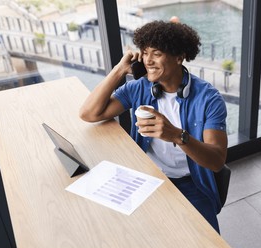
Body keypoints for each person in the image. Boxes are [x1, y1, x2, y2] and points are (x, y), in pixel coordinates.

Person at [79, 20, 227, 233]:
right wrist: (120, 69)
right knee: (129, 234)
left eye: (156, 54)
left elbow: (216, 161)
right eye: (145, 52)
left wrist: (177, 136)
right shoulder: (140, 87)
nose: (148, 60)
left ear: (179, 57)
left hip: (191, 183)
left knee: (209, 247)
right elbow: (89, 113)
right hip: (147, 176)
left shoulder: (209, 99)